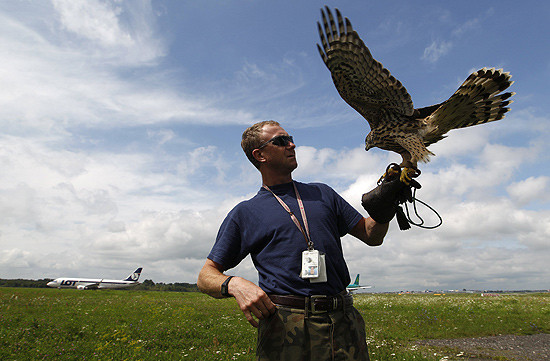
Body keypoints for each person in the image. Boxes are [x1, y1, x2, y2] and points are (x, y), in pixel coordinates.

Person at [197, 120, 405, 360]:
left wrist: (386, 205)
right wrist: (234, 284)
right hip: (286, 327)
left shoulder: (322, 193)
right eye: (281, 141)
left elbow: (371, 235)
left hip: (343, 320)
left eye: (291, 138)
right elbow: (205, 276)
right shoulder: (246, 213)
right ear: (260, 154)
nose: (292, 145)